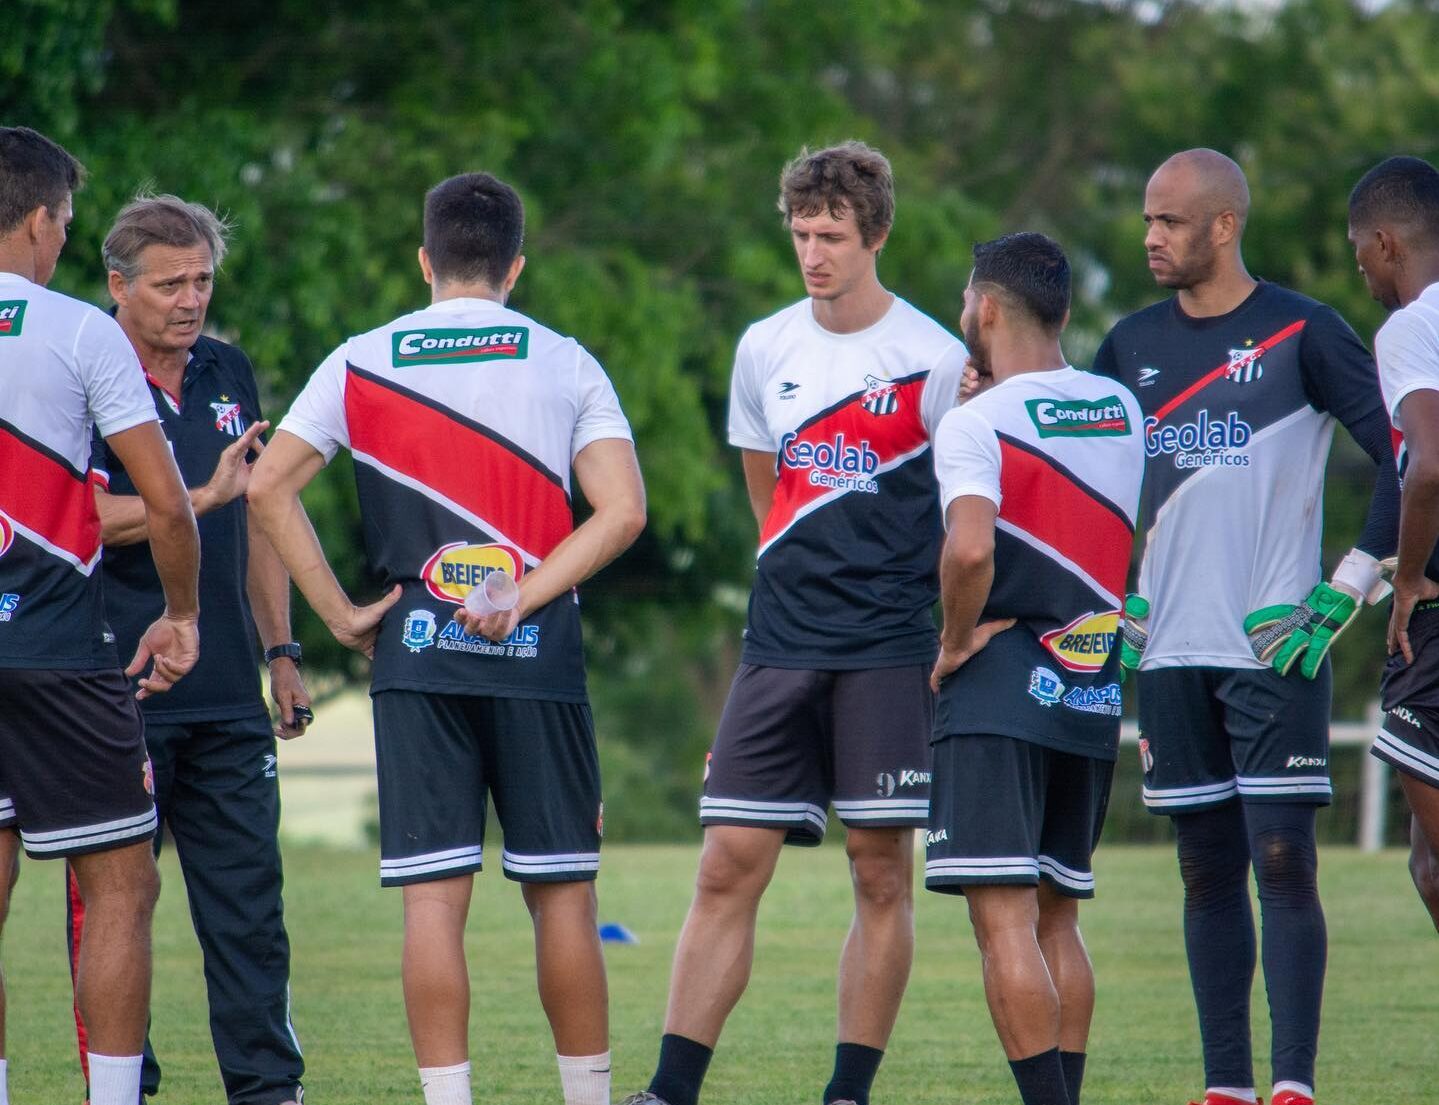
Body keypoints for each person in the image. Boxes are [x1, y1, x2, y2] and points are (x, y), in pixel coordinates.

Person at [247, 171, 645, 1105]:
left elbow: (268, 488)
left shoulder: (359, 359)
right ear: (515, 264)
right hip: (538, 655)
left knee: (434, 896)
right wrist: (525, 591)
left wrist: (343, 615)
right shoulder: (566, 360)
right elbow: (621, 511)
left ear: (424, 260)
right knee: (562, 894)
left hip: (414, 657)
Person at [622, 141, 966, 1105]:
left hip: (892, 648)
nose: (813, 254)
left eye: (833, 237)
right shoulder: (763, 346)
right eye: (802, 234)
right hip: (778, 642)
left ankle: (847, 1091)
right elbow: (767, 496)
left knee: (878, 870)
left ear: (877, 236)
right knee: (726, 863)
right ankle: (669, 1089)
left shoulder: (936, 359)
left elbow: (961, 512)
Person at [1093, 148, 1400, 1105]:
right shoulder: (1127, 343)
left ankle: (1292, 1084)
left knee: (1282, 859)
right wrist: (1112, 595)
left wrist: (1347, 585)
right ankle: (1225, 1086)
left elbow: (1404, 454)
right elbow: (1087, 484)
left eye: (1170, 222)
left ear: (1223, 227)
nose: (1151, 237)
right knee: (1203, 869)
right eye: (1147, 220)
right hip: (1167, 652)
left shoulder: (1303, 330)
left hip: (1273, 646)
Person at [64, 193, 309, 1105]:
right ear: (118, 285)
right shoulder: (76, 369)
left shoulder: (228, 367)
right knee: (113, 910)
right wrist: (193, 498)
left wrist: (281, 649)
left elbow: (255, 507)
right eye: (169, 283)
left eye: (202, 279)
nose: (189, 299)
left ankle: (267, 1089)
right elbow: (78, 516)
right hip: (112, 688)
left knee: (251, 910)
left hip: (228, 696)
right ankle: (122, 1086)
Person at [0, 127, 200, 1105]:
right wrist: (181, 613)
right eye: (67, 225)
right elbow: (164, 502)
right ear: (39, 220)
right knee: (121, 883)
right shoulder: (81, 331)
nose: (65, 243)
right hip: (62, 652)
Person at [927, 232, 1142, 1105]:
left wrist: (951, 639)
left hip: (1001, 692)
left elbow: (969, 548)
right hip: (1090, 686)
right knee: (1060, 912)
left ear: (985, 308)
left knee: (1002, 920)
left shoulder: (973, 423)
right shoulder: (1121, 408)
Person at [1347, 154, 1439, 931]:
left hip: (1435, 614)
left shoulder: (1410, 326)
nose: (1363, 276)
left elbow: (1428, 464)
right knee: (1422, 856)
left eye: (1359, 257)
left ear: (1386, 244)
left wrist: (1404, 578)